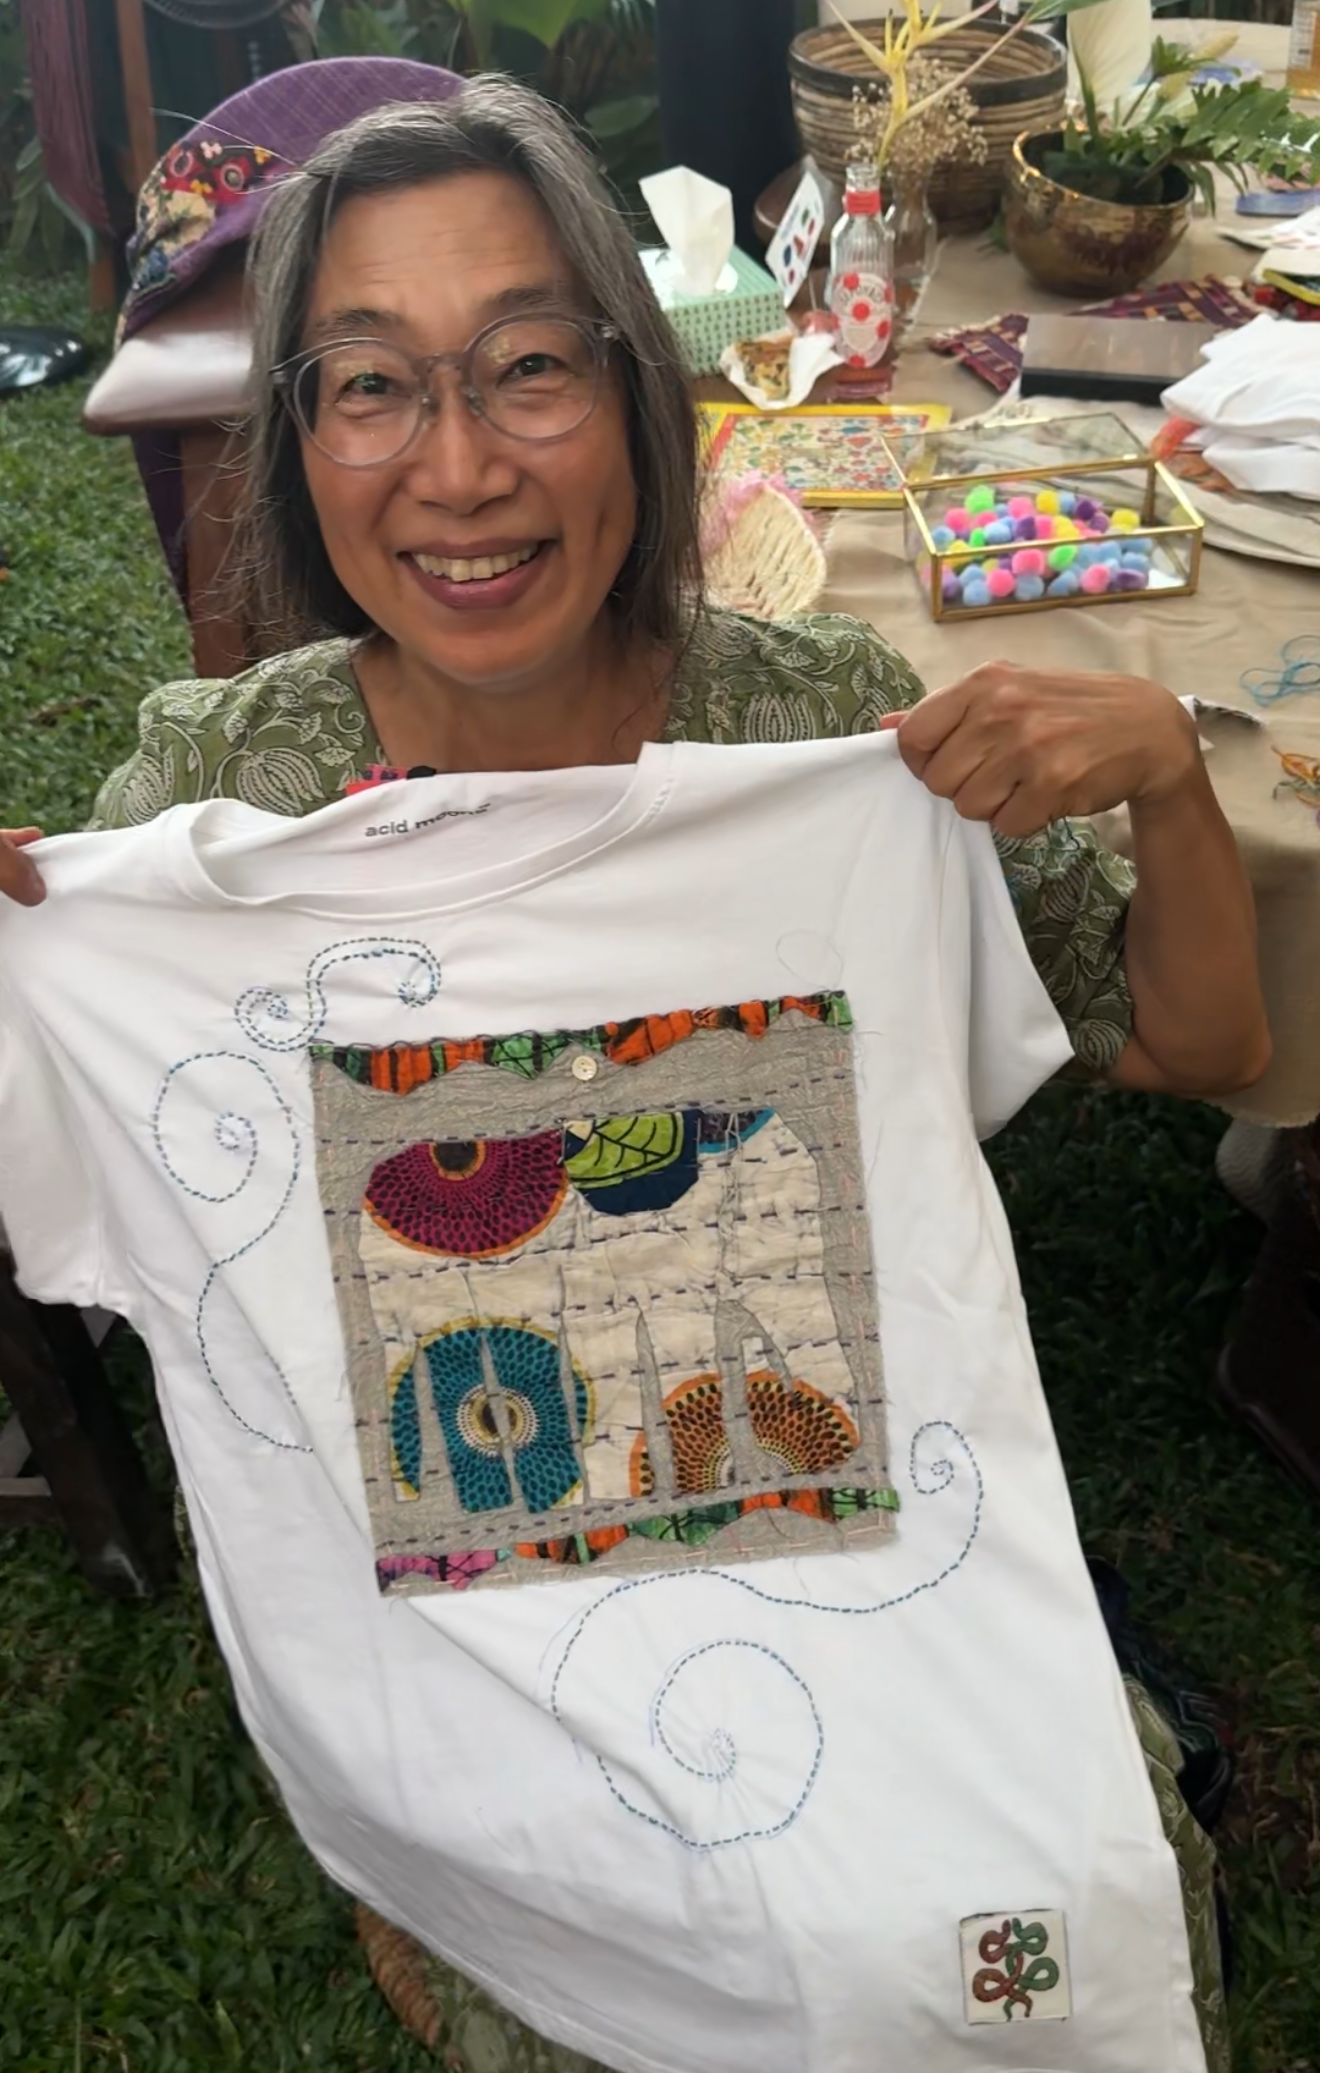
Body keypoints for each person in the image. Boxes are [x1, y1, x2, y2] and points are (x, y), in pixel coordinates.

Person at [0, 76, 1266, 2073]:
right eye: (368, 386)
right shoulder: (220, 795)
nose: (459, 468)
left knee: (1042, 1932)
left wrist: (1172, 781)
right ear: (301, 445)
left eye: (526, 368)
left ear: (638, 395)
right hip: (478, 1655)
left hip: (853, 1576)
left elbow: (1214, 1045)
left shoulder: (823, 747)